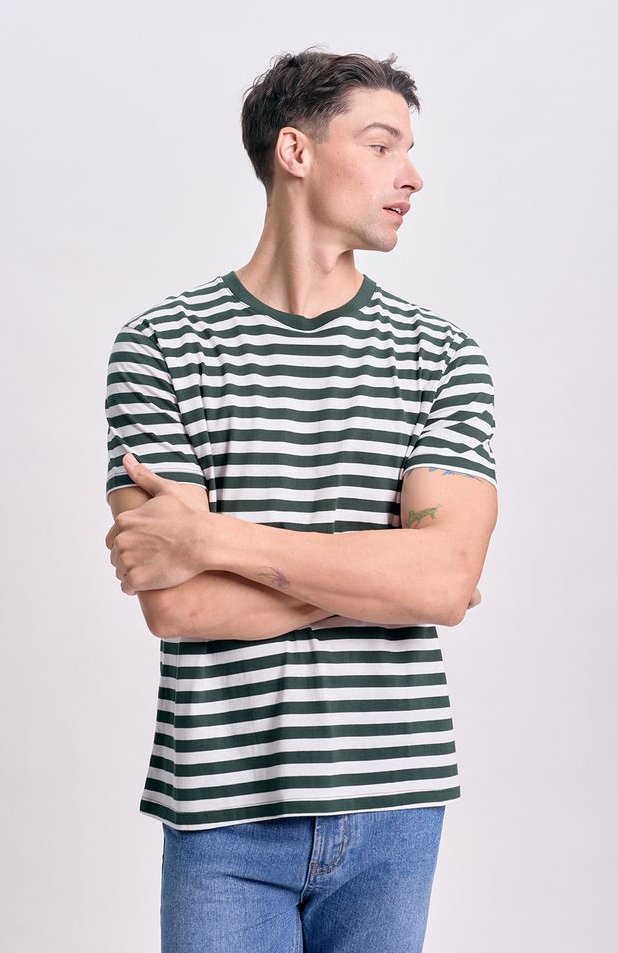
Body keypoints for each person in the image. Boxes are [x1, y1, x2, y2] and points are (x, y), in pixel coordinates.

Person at [103, 48, 499, 953]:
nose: (413, 175)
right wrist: (386, 577)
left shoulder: (442, 356)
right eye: (382, 145)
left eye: (410, 150)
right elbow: (178, 605)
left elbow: (442, 582)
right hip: (224, 808)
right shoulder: (162, 346)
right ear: (296, 151)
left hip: (397, 805)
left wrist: (213, 539)